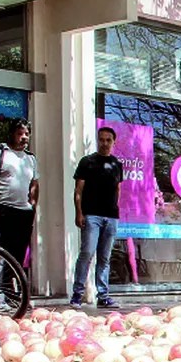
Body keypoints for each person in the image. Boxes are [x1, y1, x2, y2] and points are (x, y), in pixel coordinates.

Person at [70, 126, 123, 309]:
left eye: (108, 140)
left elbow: (118, 189)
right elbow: (78, 191)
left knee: (105, 257)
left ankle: (104, 296)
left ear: (113, 142)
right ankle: (77, 295)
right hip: (91, 216)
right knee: (87, 254)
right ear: (97, 140)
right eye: (102, 139)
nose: (105, 143)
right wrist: (79, 212)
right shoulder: (87, 162)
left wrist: (116, 211)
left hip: (111, 217)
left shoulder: (117, 164)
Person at [0, 118, 38, 277]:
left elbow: (34, 183)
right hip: (3, 209)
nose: (24, 137)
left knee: (18, 253)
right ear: (12, 134)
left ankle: (14, 290)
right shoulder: (0, 151)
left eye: (27, 134)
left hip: (23, 212)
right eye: (20, 134)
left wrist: (33, 204)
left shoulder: (30, 158)